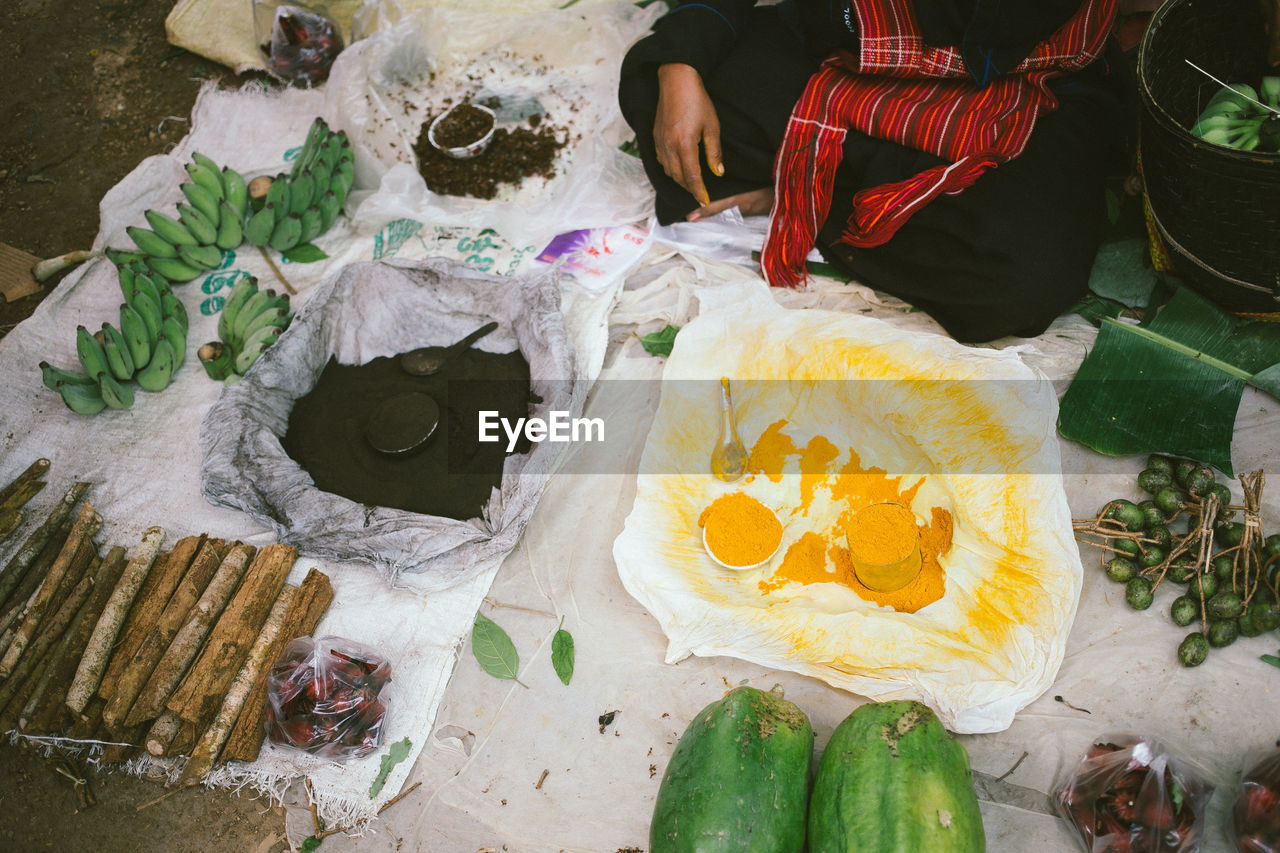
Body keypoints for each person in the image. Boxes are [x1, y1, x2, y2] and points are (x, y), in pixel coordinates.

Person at [618, 0, 1137, 342]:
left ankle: (809, 191)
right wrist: (681, 62)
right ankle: (827, 183)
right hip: (856, 57)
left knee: (1021, 287)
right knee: (665, 94)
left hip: (1025, 88)